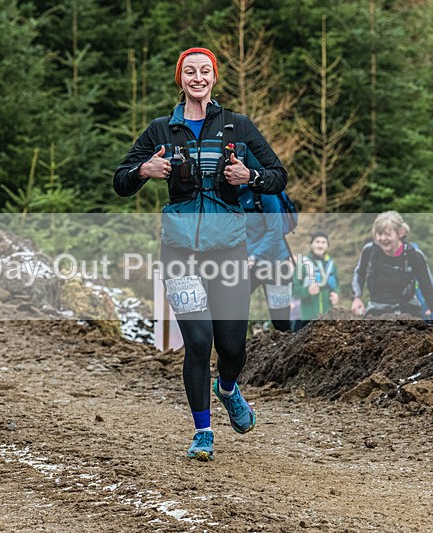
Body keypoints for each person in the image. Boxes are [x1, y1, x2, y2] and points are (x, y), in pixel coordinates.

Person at [114, 47, 286, 461]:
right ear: (181, 79)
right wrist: (144, 171)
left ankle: (227, 389)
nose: (197, 77)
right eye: (189, 71)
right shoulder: (161, 130)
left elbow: (278, 175)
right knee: (197, 341)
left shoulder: (237, 126)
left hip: (228, 249)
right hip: (180, 252)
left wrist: (251, 177)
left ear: (213, 78)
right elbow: (120, 181)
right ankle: (203, 432)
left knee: (232, 348)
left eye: (204, 71)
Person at [350, 211, 433, 318]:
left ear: (400, 233)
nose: (383, 239)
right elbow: (359, 273)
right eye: (379, 234)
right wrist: (357, 297)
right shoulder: (369, 251)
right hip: (376, 308)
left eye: (387, 234)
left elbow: (427, 286)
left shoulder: (414, 255)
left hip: (406, 309)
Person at [239, 188, 293, 332]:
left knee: (281, 321)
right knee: (231, 307)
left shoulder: (264, 193)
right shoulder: (228, 193)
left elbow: (275, 231)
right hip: (248, 263)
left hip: (276, 263)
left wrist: (255, 256)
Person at [292, 230, 339, 330]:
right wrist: (307, 291)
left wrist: (336, 294)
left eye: (323, 242)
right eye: (317, 242)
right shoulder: (303, 264)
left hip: (328, 316)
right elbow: (293, 289)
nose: (320, 245)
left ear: (327, 246)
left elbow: (336, 284)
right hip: (308, 317)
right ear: (311, 244)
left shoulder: (331, 264)